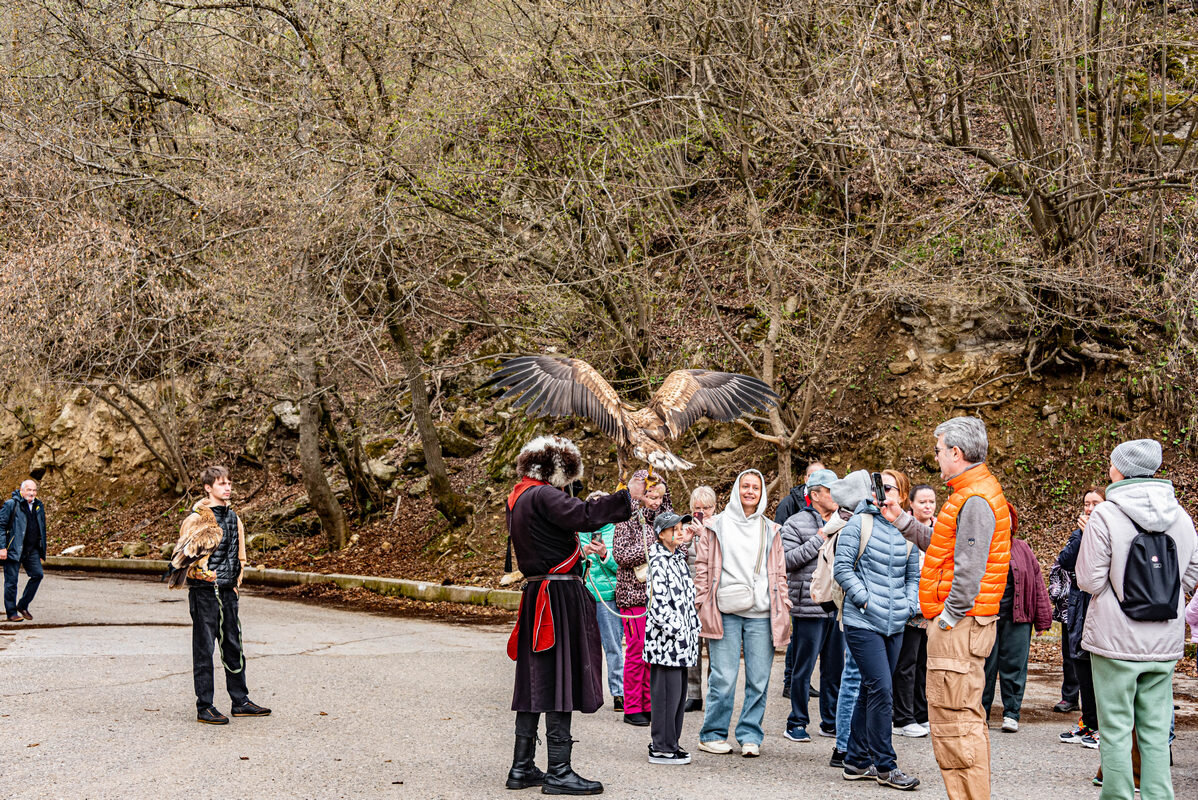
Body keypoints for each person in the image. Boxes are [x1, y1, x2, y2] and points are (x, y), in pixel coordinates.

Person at [503, 435, 645, 794]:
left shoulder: (519, 496)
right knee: (558, 681)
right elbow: (583, 516)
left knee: (536, 681)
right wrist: (627, 495)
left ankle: (521, 768)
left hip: (540, 592)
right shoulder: (544, 495)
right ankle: (559, 772)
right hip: (557, 597)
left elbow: (560, 527)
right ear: (556, 468)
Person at [881, 416, 1012, 800]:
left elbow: (969, 571)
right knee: (958, 720)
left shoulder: (973, 499)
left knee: (956, 723)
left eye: (938, 450)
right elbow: (946, 551)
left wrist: (948, 618)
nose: (935, 457)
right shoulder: (970, 493)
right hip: (963, 623)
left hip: (959, 626)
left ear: (956, 452)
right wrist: (901, 519)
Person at [1076, 439, 1198, 800]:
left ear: (1120, 469)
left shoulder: (1106, 515)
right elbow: (1190, 575)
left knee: (1115, 728)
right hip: (1163, 641)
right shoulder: (1180, 516)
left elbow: (1089, 580)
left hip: (1115, 639)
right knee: (1156, 729)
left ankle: (1117, 796)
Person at [833, 469, 921, 790]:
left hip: (896, 622)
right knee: (883, 689)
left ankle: (855, 760)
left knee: (872, 689)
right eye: (878, 487)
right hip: (862, 621)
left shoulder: (907, 529)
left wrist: (909, 604)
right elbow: (842, 567)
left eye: (889, 487)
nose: (882, 491)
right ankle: (886, 765)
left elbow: (914, 576)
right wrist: (865, 600)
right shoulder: (861, 522)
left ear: (902, 494)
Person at [694, 469, 791, 758]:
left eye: (756, 488)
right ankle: (712, 734)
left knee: (759, 679)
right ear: (737, 489)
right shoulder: (716, 524)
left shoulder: (770, 528)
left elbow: (780, 572)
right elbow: (702, 566)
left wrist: (783, 604)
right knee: (723, 677)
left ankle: (750, 734)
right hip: (725, 608)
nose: (750, 491)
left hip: (761, 611)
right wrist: (702, 600)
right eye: (745, 486)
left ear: (762, 493)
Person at [169, 466, 270, 726]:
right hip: (204, 593)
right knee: (204, 649)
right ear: (208, 488)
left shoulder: (234, 518)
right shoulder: (195, 519)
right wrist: (201, 578)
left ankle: (241, 701)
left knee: (233, 646)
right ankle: (205, 706)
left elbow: (241, 554)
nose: (227, 488)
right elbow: (184, 559)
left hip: (228, 591)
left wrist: (236, 582)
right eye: (221, 484)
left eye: (229, 483)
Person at [780, 468, 844, 743]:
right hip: (808, 605)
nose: (836, 496)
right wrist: (819, 539)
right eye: (830, 490)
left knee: (834, 669)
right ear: (815, 495)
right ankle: (796, 721)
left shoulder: (847, 521)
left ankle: (830, 721)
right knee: (803, 668)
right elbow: (786, 560)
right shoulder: (795, 523)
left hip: (838, 605)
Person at [981, 509, 1052, 732]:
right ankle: (981, 712)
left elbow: (1037, 582)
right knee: (985, 667)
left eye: (1008, 518)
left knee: (1015, 666)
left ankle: (1012, 713)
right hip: (988, 617)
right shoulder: (982, 546)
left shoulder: (1022, 548)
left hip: (1018, 617)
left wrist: (1043, 619)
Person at [613, 471, 672, 727]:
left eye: (660, 496)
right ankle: (632, 705)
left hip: (657, 595)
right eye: (651, 495)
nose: (656, 502)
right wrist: (651, 546)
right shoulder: (625, 519)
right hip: (632, 595)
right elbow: (620, 555)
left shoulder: (664, 522)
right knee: (636, 650)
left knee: (652, 652)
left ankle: (648, 703)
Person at [644, 510, 701, 765]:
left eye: (681, 527)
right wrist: (678, 629)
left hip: (682, 643)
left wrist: (692, 627)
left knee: (677, 695)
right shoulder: (657, 561)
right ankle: (661, 746)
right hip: (665, 643)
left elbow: (686, 597)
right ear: (661, 533)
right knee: (666, 696)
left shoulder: (676, 558)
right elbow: (658, 606)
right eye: (674, 528)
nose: (679, 531)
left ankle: (671, 742)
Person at [1056, 487, 1105, 749]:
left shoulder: (1110, 532)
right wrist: (1083, 536)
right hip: (1078, 608)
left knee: (1097, 671)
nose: (1089, 508)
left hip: (1098, 608)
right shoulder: (1080, 533)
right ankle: (1087, 723)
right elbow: (1065, 560)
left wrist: (1091, 535)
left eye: (1095, 503)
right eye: (1086, 503)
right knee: (1080, 666)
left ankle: (1100, 728)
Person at [777, 460, 825, 700]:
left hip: (825, 595)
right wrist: (818, 539)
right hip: (801, 589)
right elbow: (783, 554)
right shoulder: (790, 505)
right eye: (813, 476)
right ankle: (790, 681)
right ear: (806, 480)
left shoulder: (835, 513)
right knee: (799, 643)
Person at [892, 483, 935, 738]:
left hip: (931, 607)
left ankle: (921, 713)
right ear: (911, 505)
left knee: (923, 664)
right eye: (922, 502)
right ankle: (902, 717)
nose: (928, 507)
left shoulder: (940, 529)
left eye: (931, 502)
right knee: (906, 663)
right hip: (908, 606)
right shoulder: (902, 529)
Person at [580, 492, 623, 712]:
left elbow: (622, 566)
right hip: (585, 594)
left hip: (608, 596)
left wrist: (605, 554)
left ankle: (619, 693)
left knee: (613, 646)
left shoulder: (616, 530)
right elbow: (569, 562)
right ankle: (587, 691)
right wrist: (582, 554)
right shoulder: (578, 531)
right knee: (585, 648)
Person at [685, 485, 717, 712]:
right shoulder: (683, 528)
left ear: (715, 508)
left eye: (707, 507)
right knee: (692, 647)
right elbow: (676, 555)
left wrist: (705, 534)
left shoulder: (722, 527)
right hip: (689, 594)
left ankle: (714, 692)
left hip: (714, 595)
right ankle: (693, 694)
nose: (703, 512)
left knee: (714, 648)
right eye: (698, 508)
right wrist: (687, 538)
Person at [0, 480, 47, 622]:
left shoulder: (39, 506)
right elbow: (1, 526)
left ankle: (22, 605)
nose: (31, 493)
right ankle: (11, 612)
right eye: (28, 490)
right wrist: (2, 547)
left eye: (34, 490)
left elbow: (41, 530)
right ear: (21, 490)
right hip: (13, 548)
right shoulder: (11, 504)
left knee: (38, 575)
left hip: (31, 550)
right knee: (11, 582)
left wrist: (40, 551)